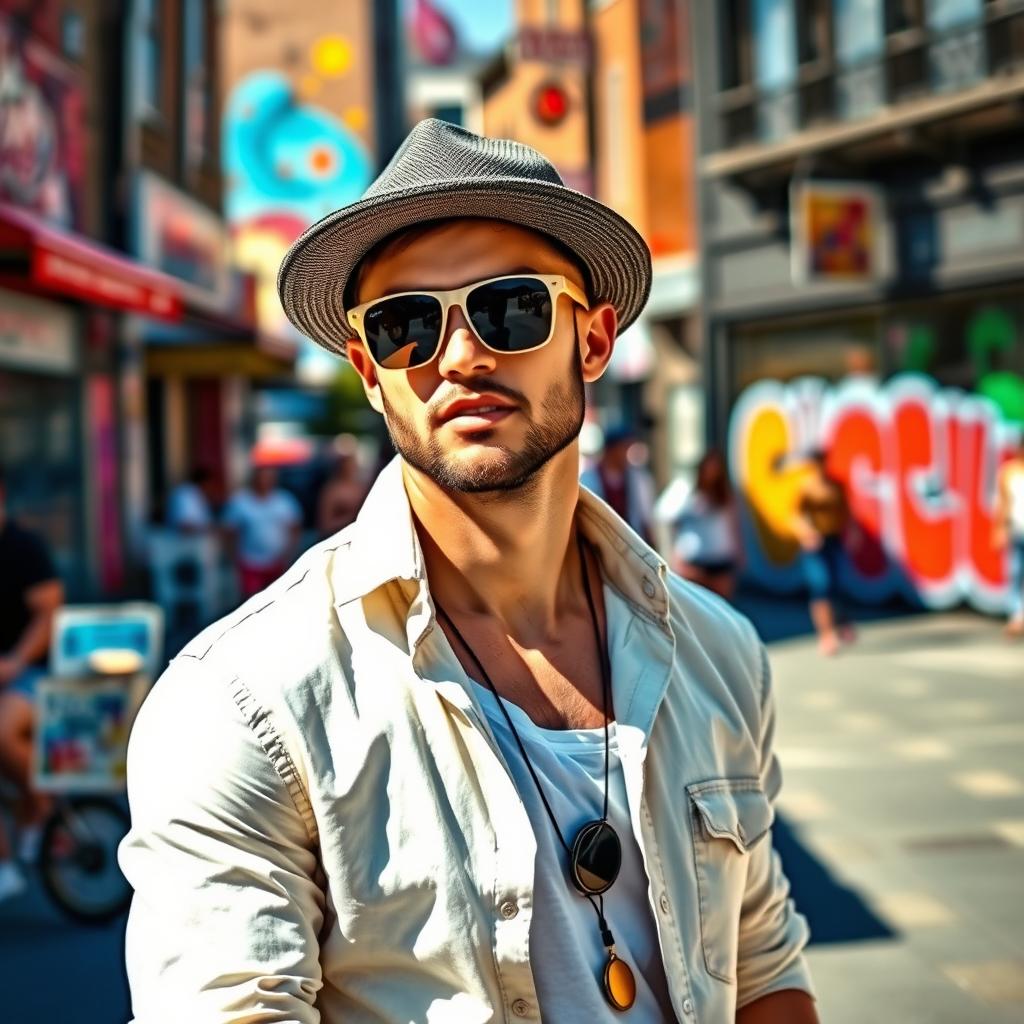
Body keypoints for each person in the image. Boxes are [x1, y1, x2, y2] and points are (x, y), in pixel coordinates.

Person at [120, 119, 817, 1023]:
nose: (458, 357)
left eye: (511, 307)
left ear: (594, 340)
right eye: (406, 325)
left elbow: (761, 966)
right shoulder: (246, 703)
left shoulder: (719, 653)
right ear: (371, 372)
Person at [0, 463, 64, 901]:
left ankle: (42, 805)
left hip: (34, 677)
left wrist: (15, 662)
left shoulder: (23, 546)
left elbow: (48, 613)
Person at [792, 450, 857, 656]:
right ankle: (826, 634)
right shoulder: (806, 488)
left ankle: (841, 623)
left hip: (834, 539)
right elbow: (795, 516)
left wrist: (853, 532)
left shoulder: (835, 485)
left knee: (838, 584)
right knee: (821, 585)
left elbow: (846, 512)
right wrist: (807, 533)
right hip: (815, 542)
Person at [221, 464, 302, 599]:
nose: (264, 482)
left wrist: (289, 554)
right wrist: (233, 557)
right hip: (250, 563)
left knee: (277, 600)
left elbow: (295, 529)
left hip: (277, 563)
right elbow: (229, 531)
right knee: (251, 603)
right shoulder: (241, 501)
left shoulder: (284, 501)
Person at [672, 449, 743, 601]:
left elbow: (733, 526)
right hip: (695, 560)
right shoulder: (688, 493)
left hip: (720, 559)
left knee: (722, 608)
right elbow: (675, 523)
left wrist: (739, 554)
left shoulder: (726, 496)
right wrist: (676, 554)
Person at [580, 424, 656, 544]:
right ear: (612, 450)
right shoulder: (587, 479)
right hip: (600, 544)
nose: (629, 453)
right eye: (625, 447)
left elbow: (646, 520)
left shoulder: (639, 479)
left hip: (633, 546)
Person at [993, 435, 1024, 637]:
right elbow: (1003, 504)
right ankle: (1016, 615)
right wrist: (999, 529)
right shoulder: (1009, 471)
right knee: (1015, 572)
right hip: (1017, 530)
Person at [316, 435, 367, 538]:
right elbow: (325, 525)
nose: (351, 464)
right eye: (346, 461)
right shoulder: (332, 490)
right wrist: (351, 519)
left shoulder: (362, 486)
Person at [167, 467, 218, 533]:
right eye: (210, 484)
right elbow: (185, 526)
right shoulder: (185, 495)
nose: (212, 489)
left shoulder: (199, 496)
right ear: (204, 482)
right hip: (181, 541)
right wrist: (211, 529)